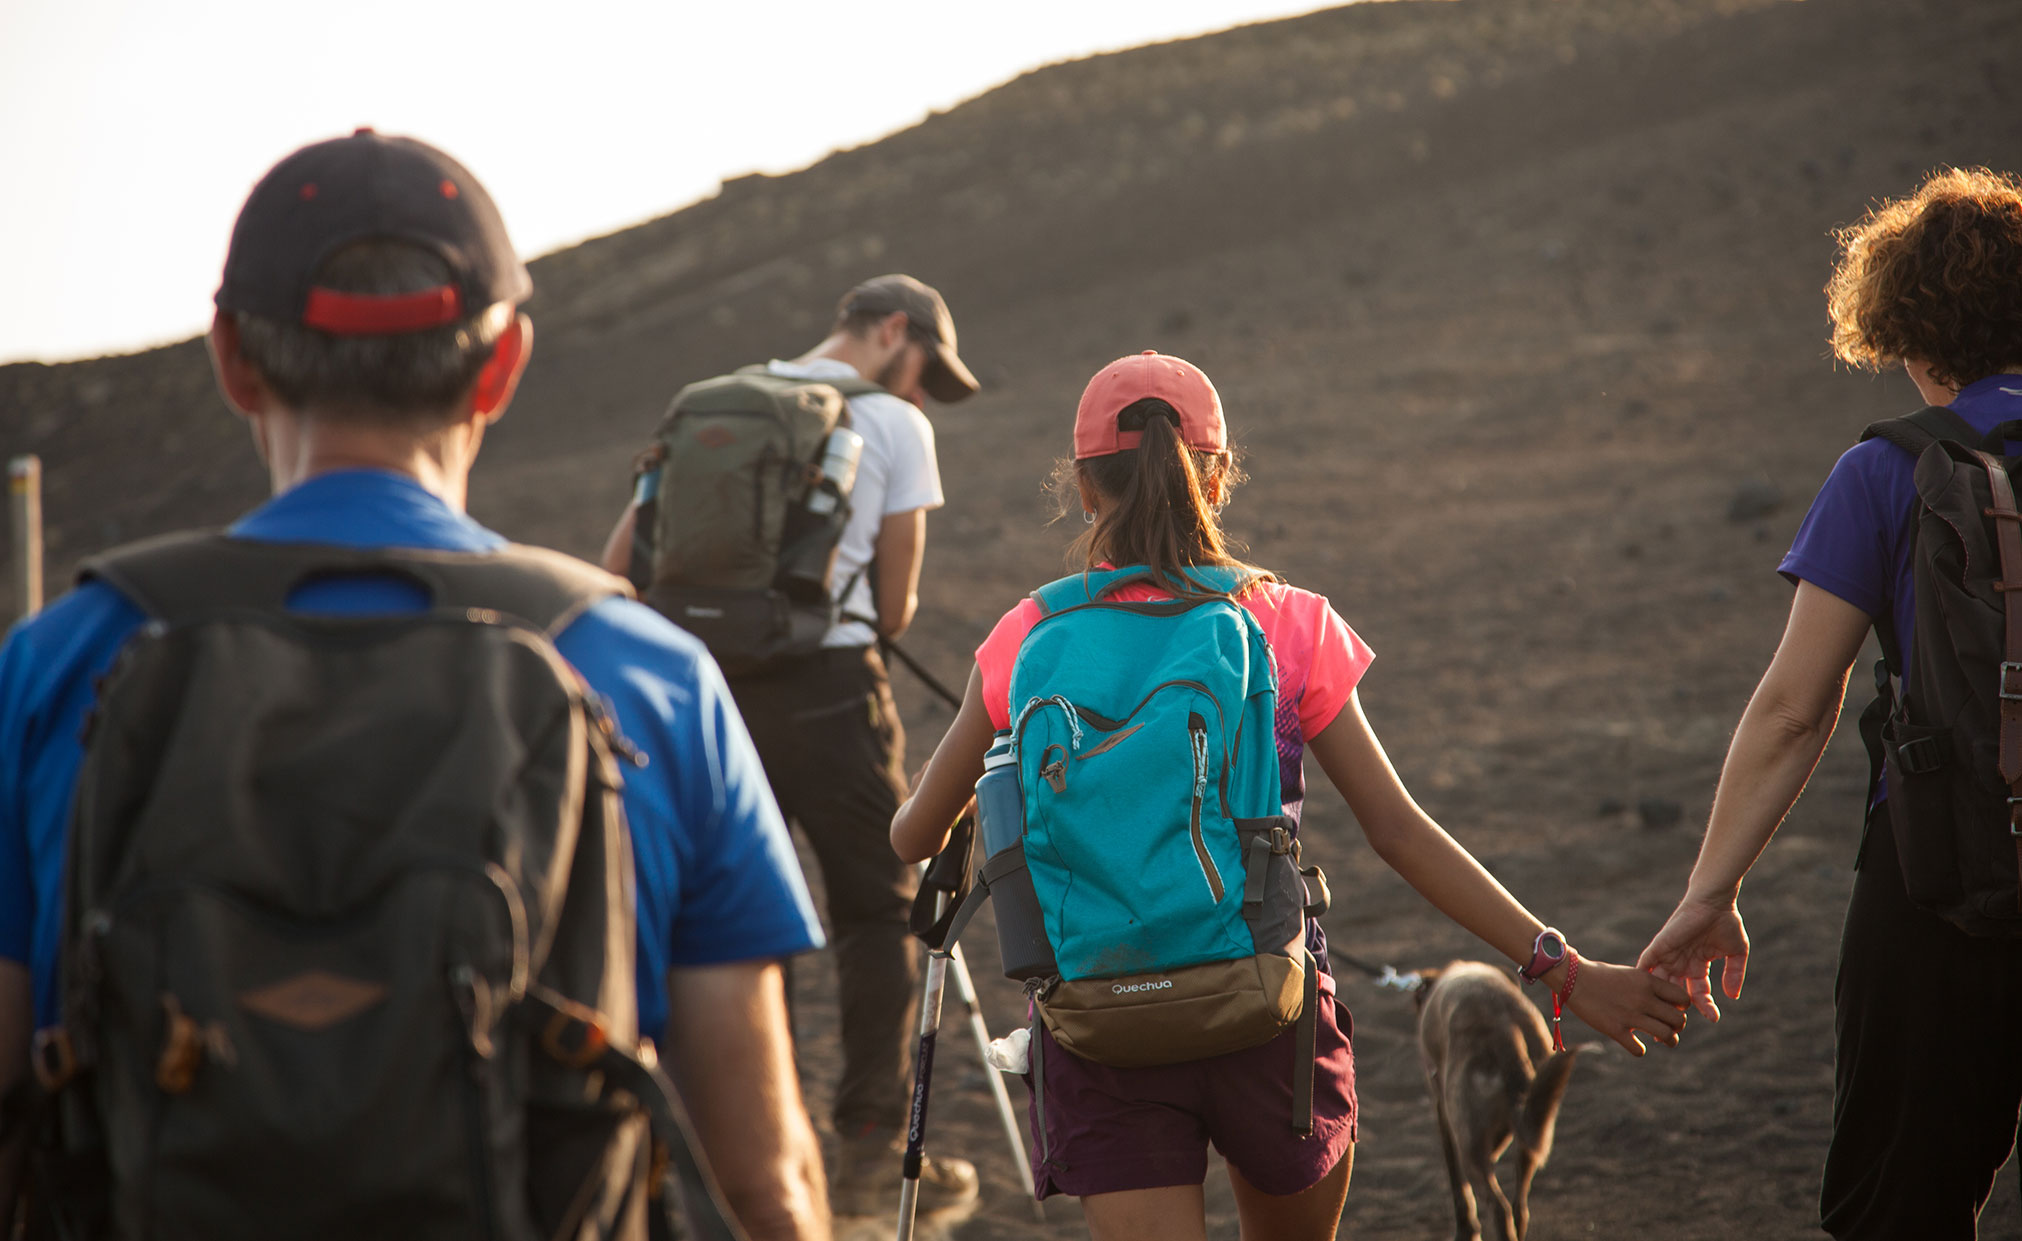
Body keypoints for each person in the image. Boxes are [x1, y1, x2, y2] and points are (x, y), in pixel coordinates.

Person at [0, 130, 830, 1241]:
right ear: (501, 365)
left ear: (233, 360)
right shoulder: (647, 672)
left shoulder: (56, 661)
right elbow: (763, 1178)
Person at [891, 350, 1690, 1241]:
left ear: (1084, 488)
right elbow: (1399, 831)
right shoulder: (1287, 621)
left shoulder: (1026, 634)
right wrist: (1565, 971)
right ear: (1219, 478)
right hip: (1267, 1021)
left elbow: (911, 832)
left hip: (1097, 1029)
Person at [1640, 167, 2022, 1240]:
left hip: (1936, 874)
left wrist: (1710, 889)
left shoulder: (1888, 471)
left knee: (1900, 1201)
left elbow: (1793, 710)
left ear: (1907, 323)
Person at [600, 274, 981, 1214]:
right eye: (927, 365)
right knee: (874, 909)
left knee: (720, 915)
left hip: (711, 689)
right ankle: (866, 1149)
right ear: (896, 330)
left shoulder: (713, 403)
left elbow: (619, 568)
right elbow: (893, 609)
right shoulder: (895, 423)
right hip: (830, 696)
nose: (923, 389)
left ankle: (719, 1152)